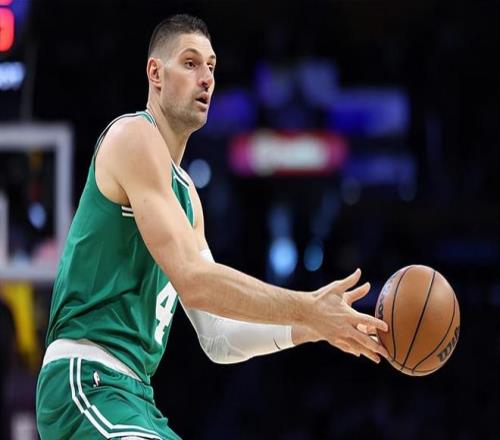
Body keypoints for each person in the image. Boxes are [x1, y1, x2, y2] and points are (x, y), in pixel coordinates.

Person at [36, 14, 389, 440]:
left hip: (136, 396)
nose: (206, 78)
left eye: (211, 66)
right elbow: (195, 281)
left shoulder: (187, 197)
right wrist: (307, 306)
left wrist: (313, 326)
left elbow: (218, 337)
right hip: (85, 379)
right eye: (190, 63)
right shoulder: (133, 135)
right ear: (155, 73)